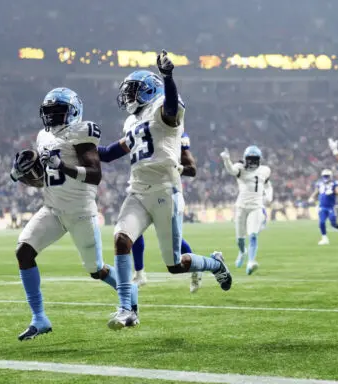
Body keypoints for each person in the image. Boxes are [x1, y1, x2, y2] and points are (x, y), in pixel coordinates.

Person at [99, 50, 232, 330]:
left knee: (174, 264)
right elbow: (110, 153)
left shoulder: (164, 108)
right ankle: (126, 309)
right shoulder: (132, 121)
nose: (127, 96)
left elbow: (172, 106)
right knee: (122, 239)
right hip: (136, 190)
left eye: (133, 90)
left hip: (164, 190)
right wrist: (79, 151)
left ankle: (216, 265)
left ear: (148, 90)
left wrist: (169, 77)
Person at [10, 87, 137, 341]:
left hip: (80, 211)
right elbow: (45, 180)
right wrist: (23, 174)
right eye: (49, 112)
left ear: (73, 112)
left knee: (96, 269)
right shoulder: (43, 136)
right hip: (53, 208)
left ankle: (129, 294)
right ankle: (40, 318)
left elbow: (94, 174)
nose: (53, 117)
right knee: (23, 251)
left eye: (58, 112)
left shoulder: (81, 131)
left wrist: (63, 165)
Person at [99, 131, 201, 292]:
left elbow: (191, 169)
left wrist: (175, 167)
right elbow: (109, 153)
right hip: (141, 190)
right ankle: (139, 273)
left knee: (174, 243)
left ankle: (197, 268)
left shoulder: (173, 131)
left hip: (164, 192)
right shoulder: (137, 127)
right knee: (130, 233)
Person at [220, 146, 273, 275]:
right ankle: (242, 252)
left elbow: (267, 184)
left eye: (255, 159)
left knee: (253, 235)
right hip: (241, 207)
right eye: (251, 159)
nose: (253, 162)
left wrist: (269, 196)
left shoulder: (265, 170)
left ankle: (251, 262)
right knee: (240, 238)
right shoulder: (240, 167)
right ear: (245, 159)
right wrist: (226, 160)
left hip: (256, 207)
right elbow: (231, 170)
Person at [308, 169, 338, 245]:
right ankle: (324, 238)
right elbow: (316, 191)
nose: (326, 177)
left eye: (327, 176)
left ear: (330, 176)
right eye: (325, 176)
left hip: (331, 206)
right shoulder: (319, 183)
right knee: (321, 222)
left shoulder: (335, 183)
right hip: (322, 206)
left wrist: (333, 191)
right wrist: (312, 197)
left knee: (333, 223)